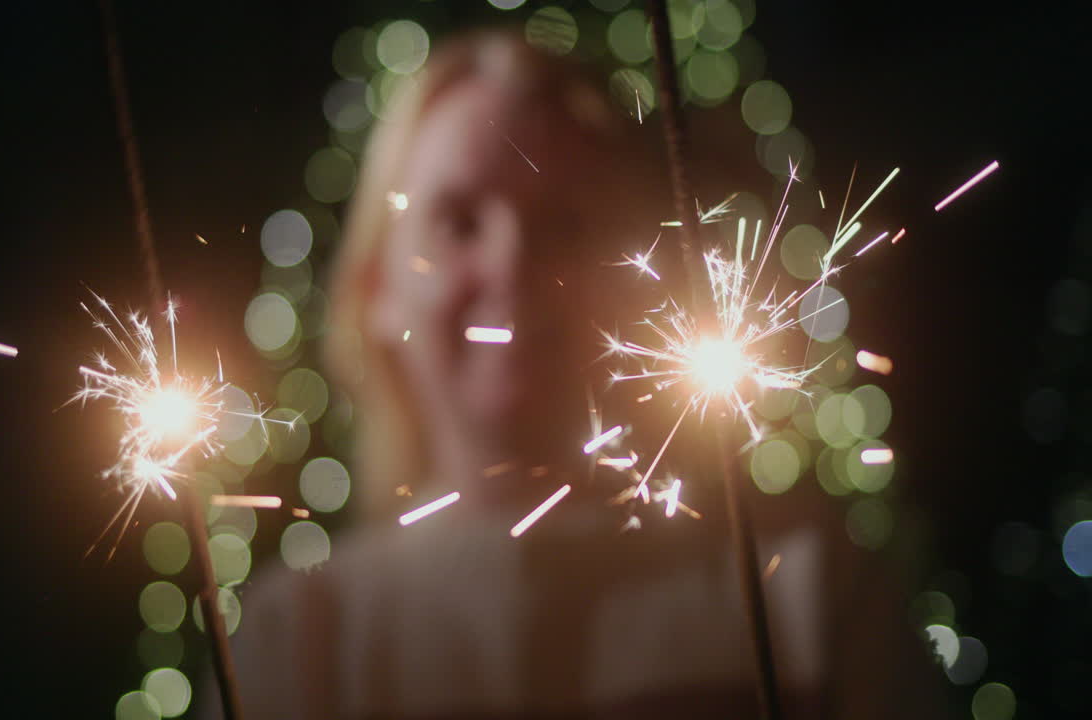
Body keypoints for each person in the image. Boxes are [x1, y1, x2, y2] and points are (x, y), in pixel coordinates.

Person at [200, 29, 950, 719]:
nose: (513, 268)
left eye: (566, 223)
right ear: (373, 285)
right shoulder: (291, 645)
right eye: (458, 220)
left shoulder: (806, 593)